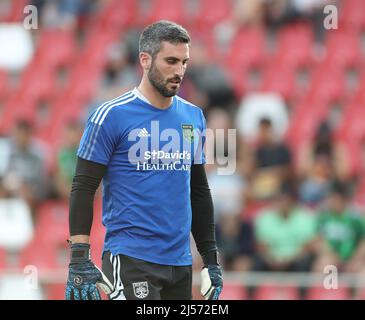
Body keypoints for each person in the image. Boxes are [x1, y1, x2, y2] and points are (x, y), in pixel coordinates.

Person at [65, 20, 223, 300]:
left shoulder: (194, 117)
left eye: (184, 62)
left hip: (179, 262)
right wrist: (79, 255)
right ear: (145, 60)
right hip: (130, 258)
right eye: (171, 61)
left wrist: (211, 260)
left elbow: (198, 190)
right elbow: (83, 185)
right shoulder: (111, 115)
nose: (179, 71)